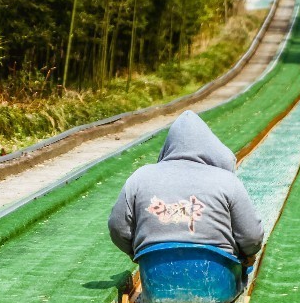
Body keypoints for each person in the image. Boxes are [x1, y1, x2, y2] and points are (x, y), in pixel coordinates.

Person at [107, 110, 264, 266]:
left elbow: (118, 227)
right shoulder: (228, 182)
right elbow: (252, 237)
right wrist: (247, 254)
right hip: (215, 277)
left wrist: (136, 252)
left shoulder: (140, 177)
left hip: (156, 274)